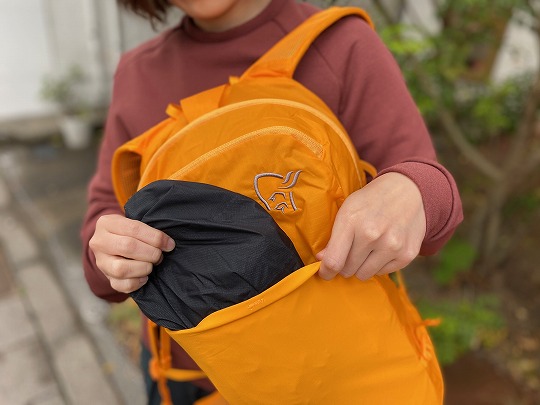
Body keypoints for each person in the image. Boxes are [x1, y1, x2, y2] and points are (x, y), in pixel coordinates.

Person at [81, 0, 464, 403]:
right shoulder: (138, 73)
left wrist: (410, 188)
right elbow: (102, 233)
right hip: (187, 378)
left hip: (331, 380)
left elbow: (432, 201)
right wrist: (111, 252)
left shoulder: (339, 45)